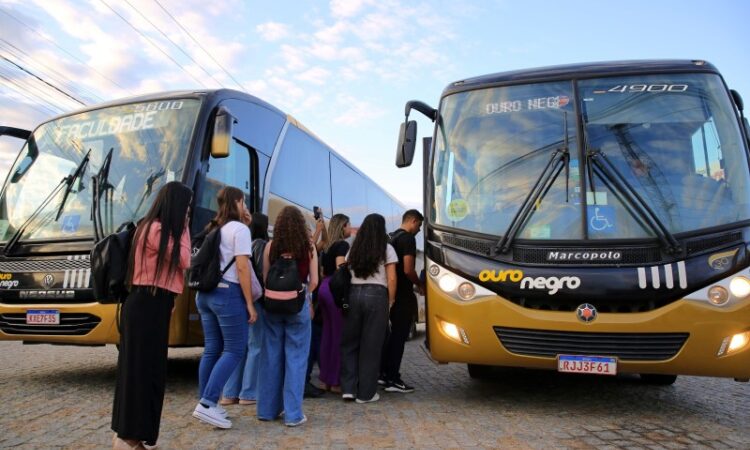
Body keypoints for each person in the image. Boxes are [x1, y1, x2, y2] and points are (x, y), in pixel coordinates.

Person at [111, 181, 192, 450]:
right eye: (187, 207)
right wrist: (186, 227)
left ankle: (130, 434)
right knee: (142, 372)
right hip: (147, 304)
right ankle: (128, 438)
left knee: (145, 371)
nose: (188, 212)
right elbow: (185, 259)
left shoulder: (152, 228)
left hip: (151, 305)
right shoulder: (156, 229)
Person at [192, 187, 258, 429]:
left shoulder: (213, 227)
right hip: (227, 293)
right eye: (243, 202)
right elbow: (242, 268)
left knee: (212, 349)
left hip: (204, 294)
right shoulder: (238, 230)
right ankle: (208, 403)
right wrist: (250, 303)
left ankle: (206, 400)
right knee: (234, 350)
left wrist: (246, 226)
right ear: (238, 202)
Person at [258, 205, 319, 426]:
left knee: (271, 357)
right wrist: (304, 296)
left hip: (272, 307)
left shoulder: (270, 247)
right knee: (296, 358)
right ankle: (293, 414)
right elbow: (314, 281)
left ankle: (266, 410)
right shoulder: (308, 248)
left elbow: (265, 278)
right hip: (297, 306)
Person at [340, 213, 397, 404]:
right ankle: (366, 394)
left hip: (354, 294)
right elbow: (391, 279)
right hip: (377, 295)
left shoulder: (353, 249)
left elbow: (345, 269)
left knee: (350, 343)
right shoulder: (386, 248)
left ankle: (348, 389)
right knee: (371, 346)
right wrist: (391, 301)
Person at [220, 212, 269, 406]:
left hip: (236, 294)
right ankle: (248, 393)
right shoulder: (262, 245)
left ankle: (229, 392)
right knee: (256, 345)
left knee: (236, 346)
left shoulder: (239, 242)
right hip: (254, 297)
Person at [380, 209, 424, 393]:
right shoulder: (407, 239)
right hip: (403, 294)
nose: (419, 230)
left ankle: (384, 374)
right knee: (399, 337)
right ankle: (393, 379)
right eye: (419, 226)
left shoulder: (391, 238)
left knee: (390, 337)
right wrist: (420, 284)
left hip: (390, 292)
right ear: (412, 221)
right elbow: (408, 269)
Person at [316, 214, 352, 393]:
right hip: (334, 291)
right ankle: (336, 381)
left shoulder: (327, 247)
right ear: (343, 226)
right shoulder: (343, 245)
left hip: (324, 288)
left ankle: (325, 380)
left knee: (327, 336)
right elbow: (341, 269)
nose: (350, 229)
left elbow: (323, 271)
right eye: (349, 226)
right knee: (339, 337)